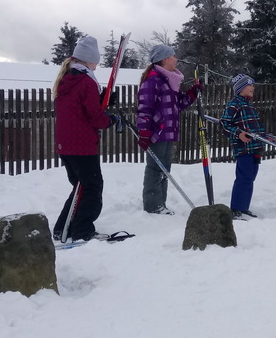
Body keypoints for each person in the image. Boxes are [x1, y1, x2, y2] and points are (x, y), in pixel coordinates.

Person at [52, 36, 119, 240]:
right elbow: (94, 116)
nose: (97, 65)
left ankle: (63, 227)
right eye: (96, 61)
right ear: (90, 59)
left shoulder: (67, 78)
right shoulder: (87, 81)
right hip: (82, 144)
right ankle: (82, 230)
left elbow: (79, 107)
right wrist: (110, 120)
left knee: (80, 187)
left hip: (65, 144)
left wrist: (102, 100)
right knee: (92, 187)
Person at [135, 44, 200, 215]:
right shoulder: (153, 80)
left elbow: (177, 105)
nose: (176, 59)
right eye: (173, 56)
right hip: (156, 133)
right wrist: (144, 132)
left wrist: (192, 93)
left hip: (168, 132)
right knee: (155, 169)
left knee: (164, 169)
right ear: (164, 59)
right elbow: (144, 108)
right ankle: (152, 205)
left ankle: (160, 203)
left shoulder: (168, 81)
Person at [220, 74, 265, 219]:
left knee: (250, 177)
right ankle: (236, 209)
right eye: (249, 85)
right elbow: (224, 125)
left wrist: (264, 136)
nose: (253, 87)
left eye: (253, 85)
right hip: (243, 149)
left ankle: (244, 207)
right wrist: (238, 134)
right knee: (244, 177)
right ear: (240, 88)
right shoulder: (235, 104)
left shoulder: (248, 105)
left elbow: (255, 126)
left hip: (254, 148)